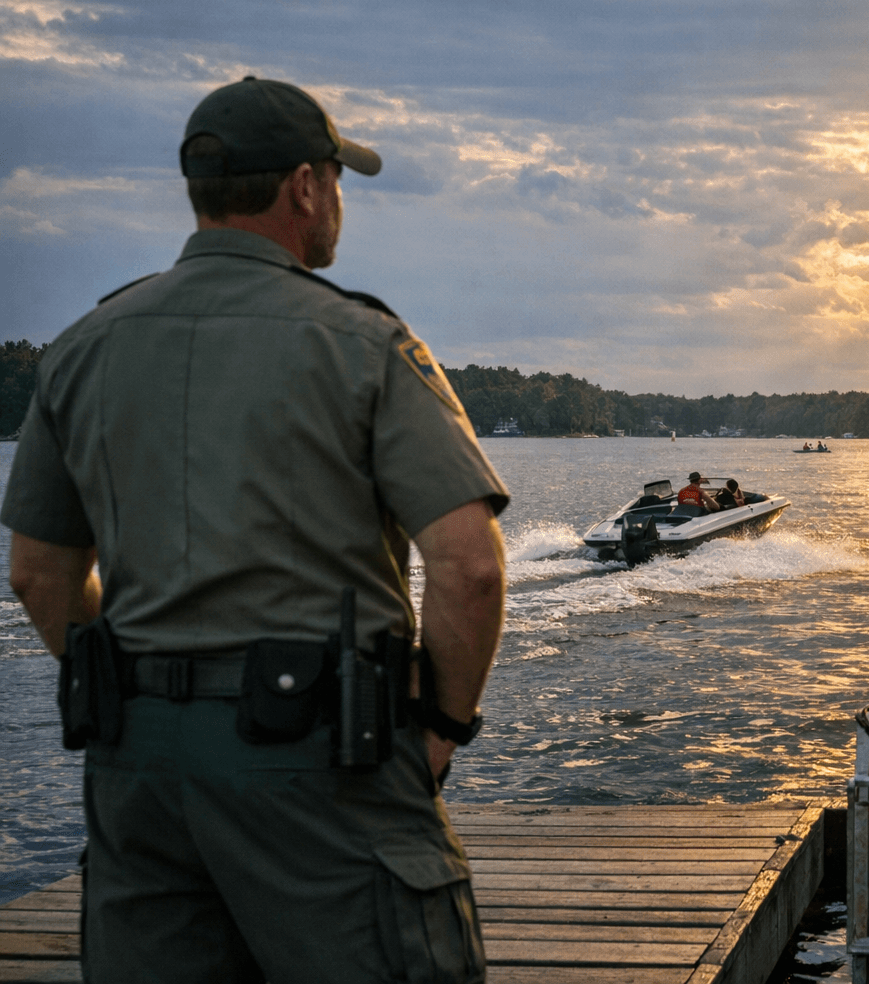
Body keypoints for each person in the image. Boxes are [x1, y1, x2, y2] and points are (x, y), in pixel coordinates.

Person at [1, 77, 510, 982]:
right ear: (305, 188)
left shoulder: (83, 347)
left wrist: (134, 687)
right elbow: (467, 568)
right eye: (337, 183)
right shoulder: (363, 345)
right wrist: (442, 724)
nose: (337, 203)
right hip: (324, 768)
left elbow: (38, 574)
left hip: (139, 776)